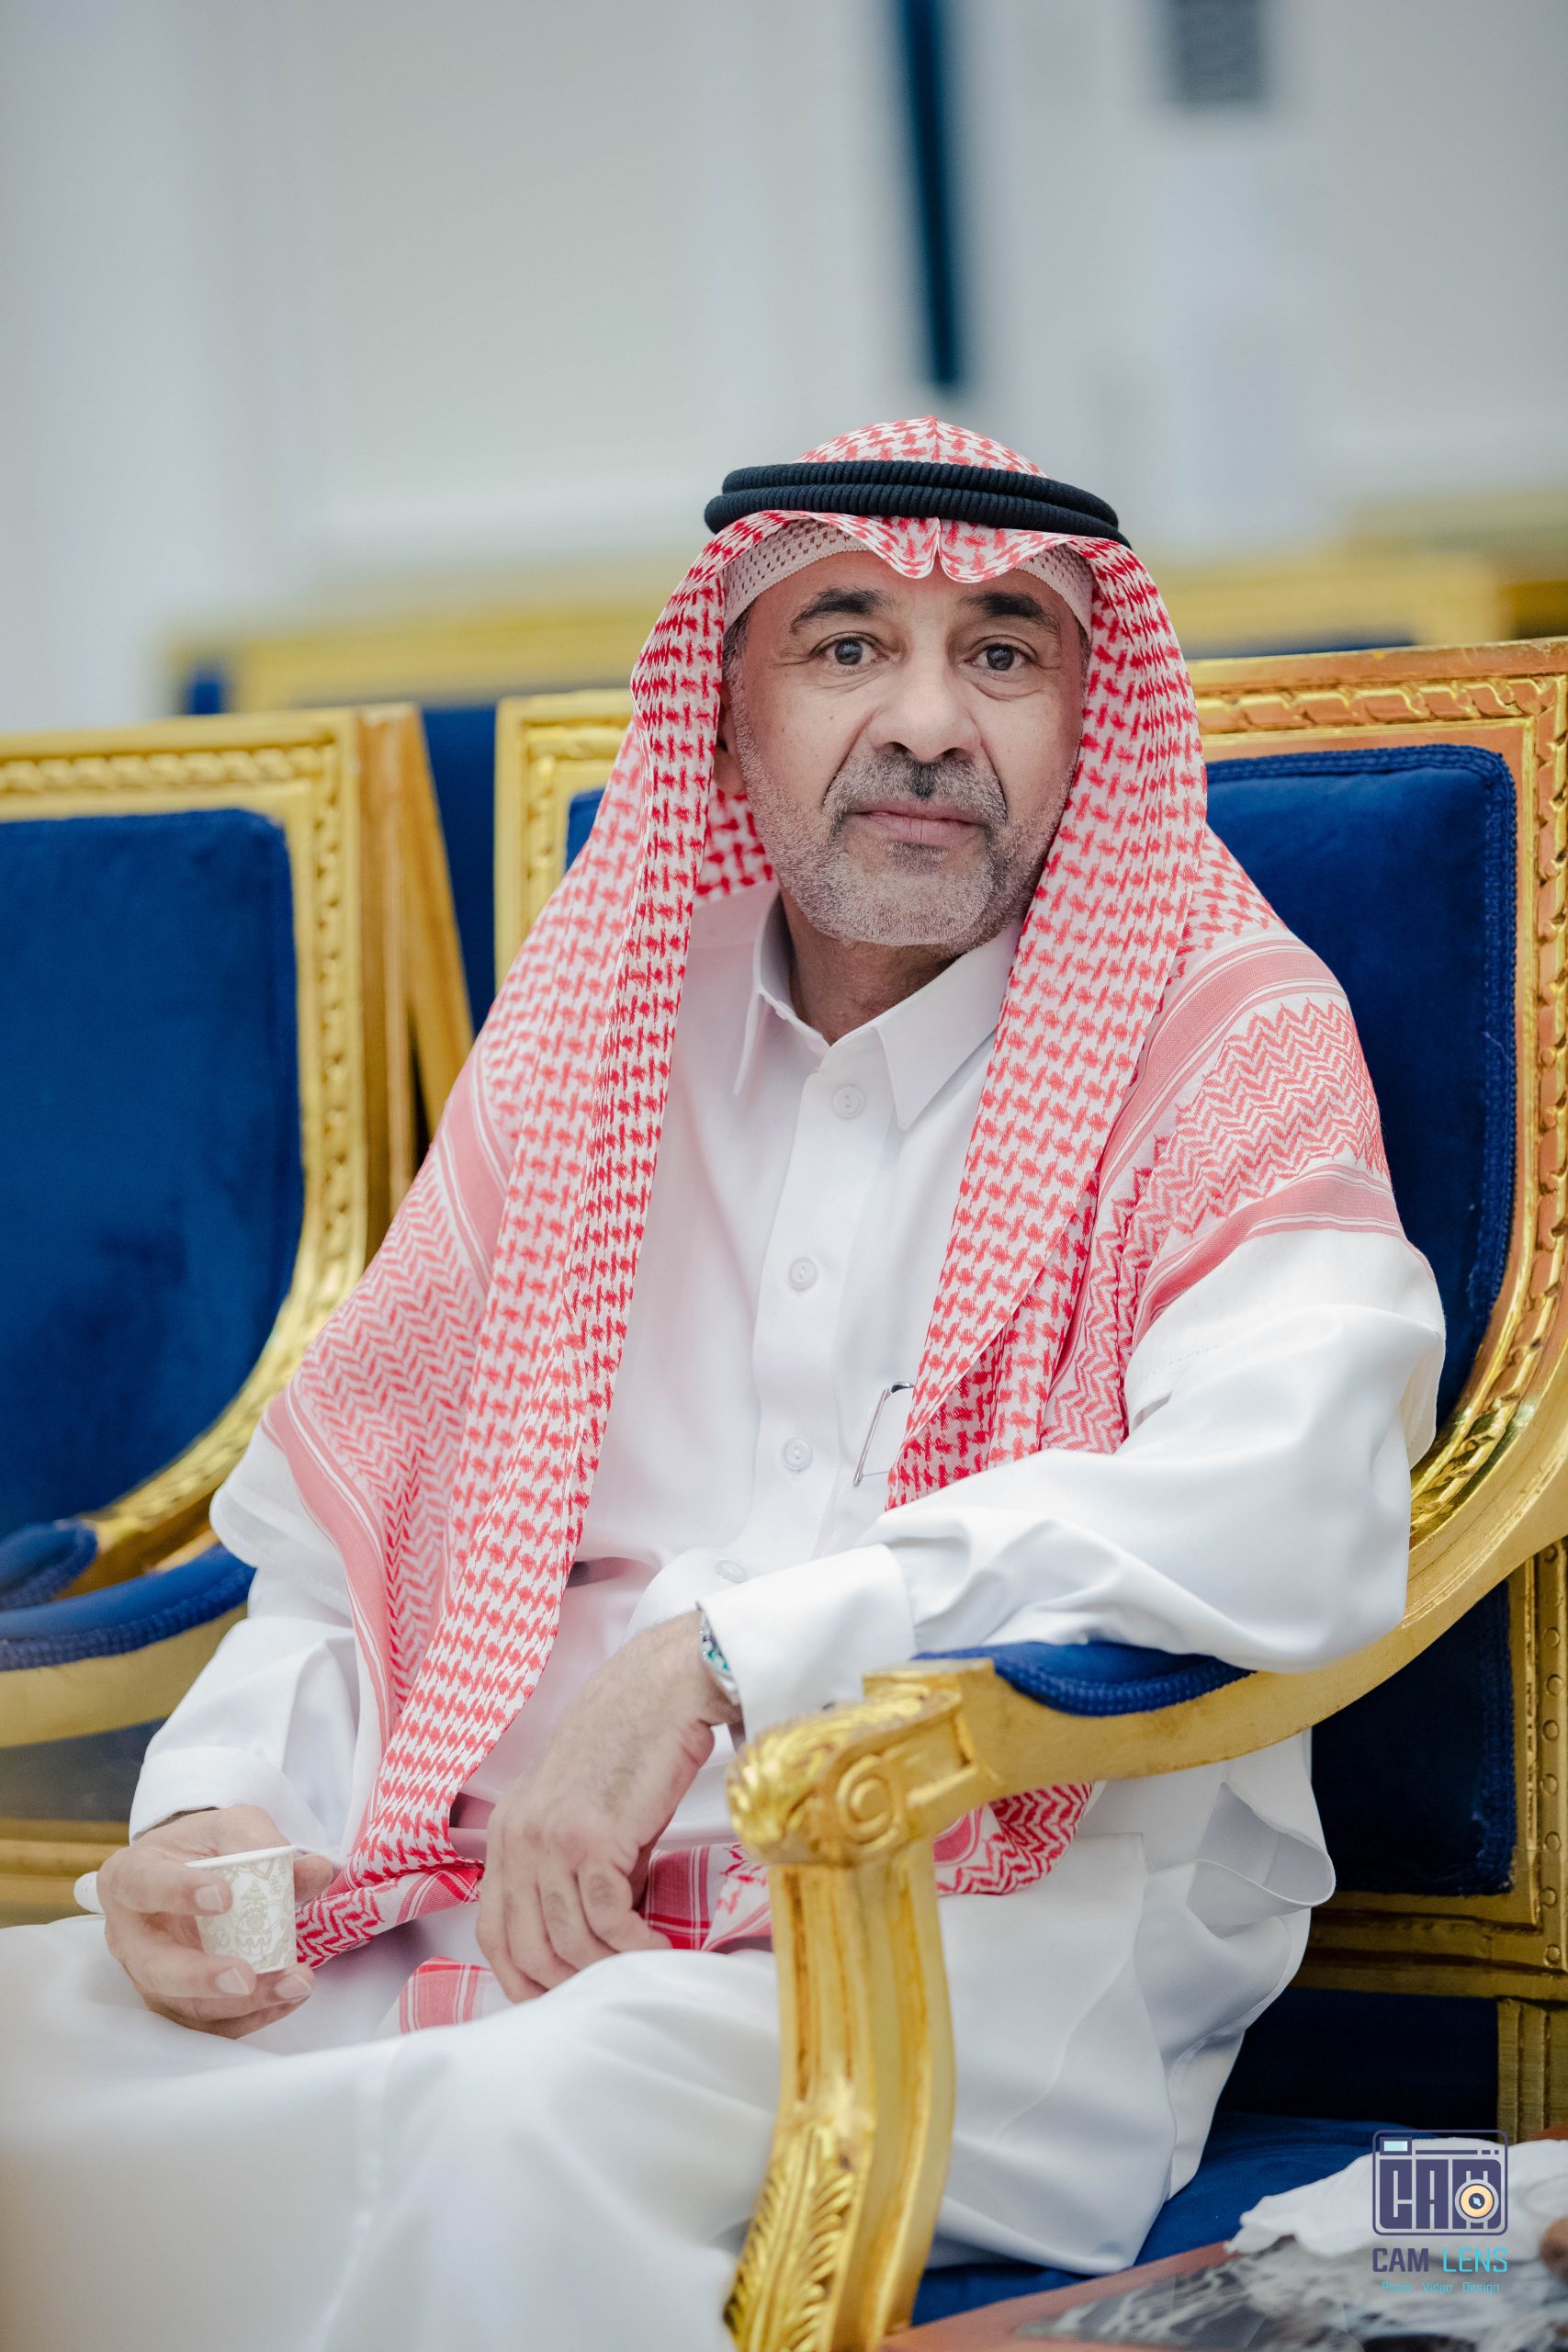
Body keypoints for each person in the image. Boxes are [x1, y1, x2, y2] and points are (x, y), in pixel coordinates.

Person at [0, 418, 1442, 2352]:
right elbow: (364, 1535)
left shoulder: (1220, 1032)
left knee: (509, 2136)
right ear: (730, 714)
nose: (927, 720)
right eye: (847, 644)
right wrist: (214, 1809)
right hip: (486, 1883)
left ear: (1084, 717)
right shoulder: (606, 1017)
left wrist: (730, 1655)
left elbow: (1290, 1491)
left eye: (1001, 652)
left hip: (969, 1922)